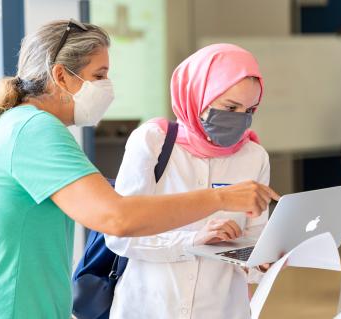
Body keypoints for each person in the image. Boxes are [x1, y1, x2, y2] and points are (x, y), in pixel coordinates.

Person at [0, 20, 278, 319]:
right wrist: (219, 198)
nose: (107, 87)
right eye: (99, 75)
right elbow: (118, 219)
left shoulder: (20, 126)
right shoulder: (35, 130)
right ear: (60, 76)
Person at [105, 44, 272, 319]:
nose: (240, 119)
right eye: (230, 107)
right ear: (197, 93)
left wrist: (262, 261)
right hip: (149, 306)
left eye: (250, 109)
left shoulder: (254, 156)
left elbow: (254, 243)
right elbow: (120, 235)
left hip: (221, 309)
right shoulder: (153, 142)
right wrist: (194, 240)